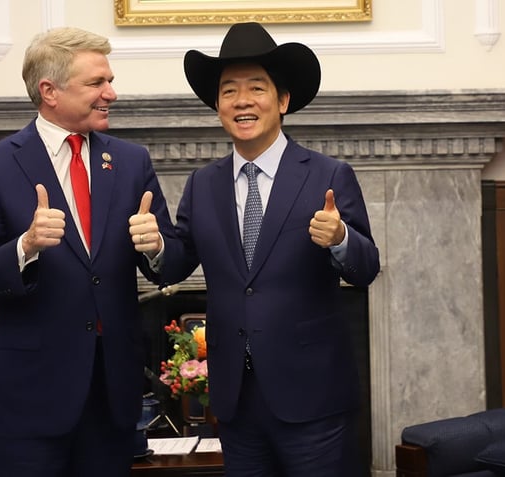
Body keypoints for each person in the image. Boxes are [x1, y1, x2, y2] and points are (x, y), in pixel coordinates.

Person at [151, 22, 381, 475]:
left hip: (313, 397)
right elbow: (177, 264)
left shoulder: (328, 175)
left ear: (282, 101)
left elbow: (366, 268)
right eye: (229, 90)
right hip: (237, 400)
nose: (242, 100)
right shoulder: (203, 184)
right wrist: (157, 245)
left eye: (257, 88)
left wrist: (341, 240)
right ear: (217, 106)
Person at [0, 27, 173, 477]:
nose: (111, 93)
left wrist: (157, 247)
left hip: (111, 395)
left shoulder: (132, 162)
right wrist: (25, 246)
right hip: (30, 398)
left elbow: (173, 260)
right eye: (96, 83)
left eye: (109, 80)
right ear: (49, 90)